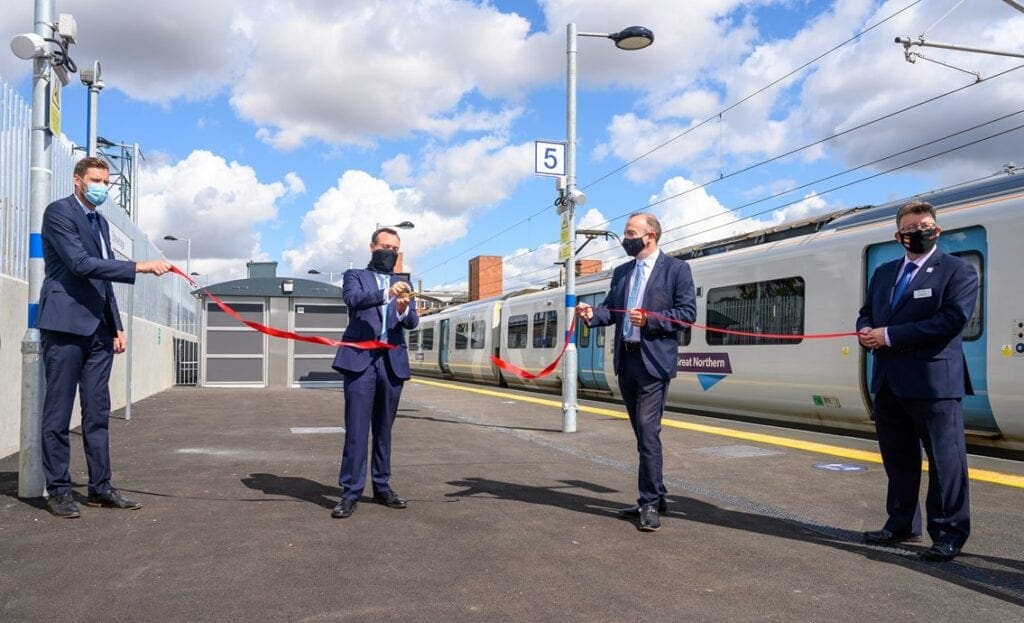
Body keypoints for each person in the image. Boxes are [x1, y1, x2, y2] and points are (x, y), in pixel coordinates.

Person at [38, 156, 172, 518]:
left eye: (105, 181)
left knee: (97, 413)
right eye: (95, 180)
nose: (101, 187)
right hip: (65, 327)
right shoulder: (59, 213)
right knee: (58, 413)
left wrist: (116, 324)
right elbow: (80, 265)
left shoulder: (100, 222)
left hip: (98, 331)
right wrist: (138, 266)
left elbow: (103, 280)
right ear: (77, 180)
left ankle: (100, 488)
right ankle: (59, 490)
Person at [857, 200, 978, 562]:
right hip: (889, 381)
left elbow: (952, 320)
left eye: (925, 225)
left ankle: (948, 533)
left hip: (934, 384)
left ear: (937, 229)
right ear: (899, 236)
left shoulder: (957, 271)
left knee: (945, 462)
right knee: (898, 458)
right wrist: (864, 329)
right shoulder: (883, 272)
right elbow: (867, 312)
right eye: (911, 228)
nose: (919, 232)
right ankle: (901, 523)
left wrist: (888, 335)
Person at [576, 213, 696, 531]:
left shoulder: (677, 270)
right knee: (643, 434)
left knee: (648, 431)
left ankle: (649, 503)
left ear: (650, 235)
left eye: (630, 232)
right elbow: (609, 309)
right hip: (626, 360)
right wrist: (591, 314)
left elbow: (686, 315)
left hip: (654, 362)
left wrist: (651, 320)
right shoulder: (622, 272)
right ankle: (656, 493)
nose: (625, 238)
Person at [331, 227, 419, 519]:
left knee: (384, 430)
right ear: (372, 247)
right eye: (385, 247)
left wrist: (404, 308)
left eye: (395, 249)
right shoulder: (355, 275)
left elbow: (413, 322)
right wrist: (385, 294)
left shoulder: (403, 282)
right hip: (360, 361)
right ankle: (350, 493)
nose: (390, 253)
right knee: (356, 430)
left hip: (391, 362)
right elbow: (353, 300)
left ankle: (382, 487)